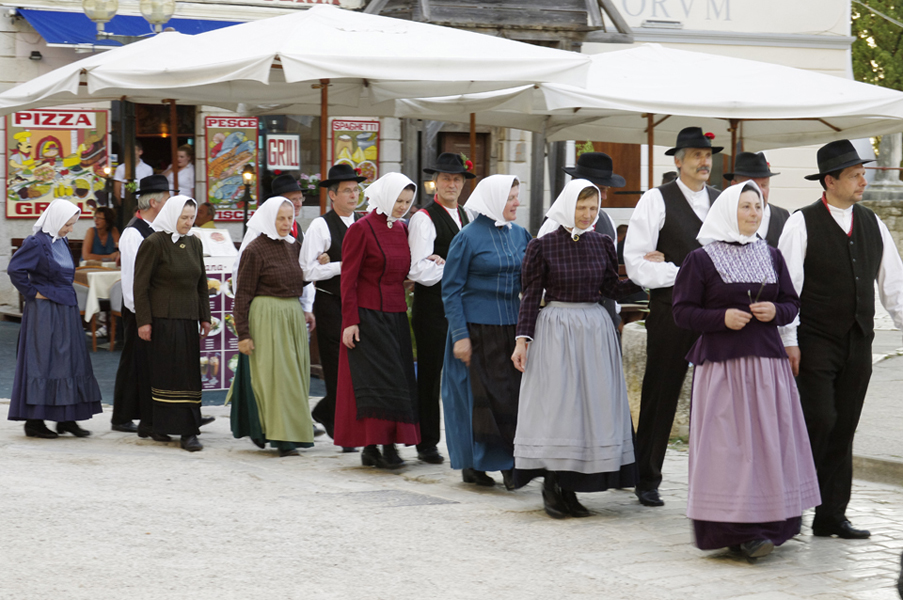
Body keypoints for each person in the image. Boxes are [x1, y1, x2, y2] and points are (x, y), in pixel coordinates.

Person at [672, 181, 820, 559]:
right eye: (745, 207)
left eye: (758, 207)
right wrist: (721, 317)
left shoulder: (771, 255)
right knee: (729, 451)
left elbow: (791, 302)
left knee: (768, 445)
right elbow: (682, 312)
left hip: (768, 366)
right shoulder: (701, 260)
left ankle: (770, 526)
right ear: (727, 211)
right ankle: (732, 528)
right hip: (722, 369)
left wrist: (777, 312)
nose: (754, 213)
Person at [779, 139, 903, 539]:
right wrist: (788, 339)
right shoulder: (801, 222)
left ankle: (831, 515)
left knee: (845, 425)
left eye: (863, 173)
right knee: (820, 420)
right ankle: (790, 505)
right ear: (830, 181)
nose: (862, 181)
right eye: (854, 175)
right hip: (813, 340)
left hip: (857, 342)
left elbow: (894, 287)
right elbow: (787, 287)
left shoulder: (873, 223)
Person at [512, 179, 641, 519]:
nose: (587, 214)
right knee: (561, 408)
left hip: (594, 330)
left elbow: (612, 286)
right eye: (581, 208)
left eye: (593, 208)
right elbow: (530, 296)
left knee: (588, 409)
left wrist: (646, 274)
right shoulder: (543, 246)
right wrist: (522, 340)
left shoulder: (602, 243)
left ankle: (572, 488)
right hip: (557, 330)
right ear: (568, 207)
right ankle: (552, 485)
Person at [624, 126, 722, 508]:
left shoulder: (721, 201)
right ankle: (645, 476)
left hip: (715, 313)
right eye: (696, 155)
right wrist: (686, 274)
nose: (704, 161)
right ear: (678, 160)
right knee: (661, 392)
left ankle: (714, 478)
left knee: (719, 395)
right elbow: (637, 261)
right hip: (673, 310)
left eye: (708, 155)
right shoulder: (656, 199)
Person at [440, 175, 532, 487]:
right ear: (493, 201)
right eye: (511, 198)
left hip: (511, 331)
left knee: (511, 397)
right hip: (476, 332)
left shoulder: (521, 235)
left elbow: (531, 282)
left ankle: (510, 462)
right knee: (479, 400)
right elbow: (451, 290)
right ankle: (475, 462)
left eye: (517, 196)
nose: (517, 203)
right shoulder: (467, 237)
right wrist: (459, 336)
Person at [333, 173, 420, 469]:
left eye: (407, 202)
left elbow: (407, 269)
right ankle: (373, 445)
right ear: (384, 196)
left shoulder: (403, 230)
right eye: (398, 200)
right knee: (375, 381)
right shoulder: (360, 229)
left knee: (399, 380)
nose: (402, 207)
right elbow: (349, 278)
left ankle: (390, 443)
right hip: (368, 316)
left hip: (396, 315)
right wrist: (350, 321)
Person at [7, 200, 103, 438]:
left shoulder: (60, 240)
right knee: (44, 361)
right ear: (56, 220)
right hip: (45, 312)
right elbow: (14, 269)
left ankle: (67, 418)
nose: (70, 229)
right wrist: (33, 293)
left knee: (71, 360)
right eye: (68, 224)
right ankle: (34, 421)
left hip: (66, 309)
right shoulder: (36, 242)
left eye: (72, 224)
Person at [228, 197, 314, 457]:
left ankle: (284, 431)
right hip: (267, 317)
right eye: (281, 218)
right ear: (268, 219)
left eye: (290, 218)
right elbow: (242, 294)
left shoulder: (293, 246)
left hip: (291, 315)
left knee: (295, 376)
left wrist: (318, 263)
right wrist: (243, 333)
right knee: (277, 379)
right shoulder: (255, 250)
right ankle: (282, 437)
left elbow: (300, 280)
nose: (287, 223)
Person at [407, 152, 476, 465]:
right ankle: (426, 442)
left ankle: (465, 437)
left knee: (463, 375)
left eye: (457, 179)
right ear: (436, 181)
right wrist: (452, 269)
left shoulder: (469, 215)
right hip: (432, 309)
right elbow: (418, 270)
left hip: (462, 308)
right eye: (447, 178)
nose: (452, 184)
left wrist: (450, 265)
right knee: (432, 375)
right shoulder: (424, 218)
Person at [133, 195, 211, 452]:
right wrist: (144, 321)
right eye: (184, 218)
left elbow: (202, 283)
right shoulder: (154, 243)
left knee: (188, 375)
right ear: (172, 215)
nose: (189, 223)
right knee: (167, 374)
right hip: (163, 319)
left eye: (191, 218)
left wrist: (205, 316)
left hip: (188, 318)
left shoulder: (195, 243)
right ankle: (161, 423)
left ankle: (189, 429)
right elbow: (140, 285)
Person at [300, 164, 365, 448]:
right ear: (333, 196)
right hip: (331, 303)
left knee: (357, 367)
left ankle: (328, 412)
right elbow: (307, 271)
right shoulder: (321, 225)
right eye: (347, 191)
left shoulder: (361, 222)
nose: (353, 195)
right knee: (338, 366)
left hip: (359, 304)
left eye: (356, 190)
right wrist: (343, 265)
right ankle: (342, 428)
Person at [111, 175, 172, 435]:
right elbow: (131, 279)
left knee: (150, 363)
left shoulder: (157, 229)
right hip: (139, 309)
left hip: (155, 306)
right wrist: (141, 315)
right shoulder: (133, 233)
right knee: (133, 362)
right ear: (155, 202)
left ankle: (159, 412)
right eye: (167, 198)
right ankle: (121, 416)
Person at [538, 152, 626, 330]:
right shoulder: (554, 224)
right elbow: (539, 280)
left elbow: (612, 275)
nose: (605, 197)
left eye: (605, 190)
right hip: (565, 321)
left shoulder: (607, 221)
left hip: (603, 319)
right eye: (601, 190)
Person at [723, 152, 790, 247]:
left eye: (764, 185)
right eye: (752, 185)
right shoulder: (723, 220)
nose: (760, 192)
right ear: (734, 185)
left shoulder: (785, 218)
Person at [113, 140, 154, 206]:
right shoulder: (121, 168)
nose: (132, 153)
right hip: (125, 201)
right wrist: (120, 205)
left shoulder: (148, 169)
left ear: (140, 152)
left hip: (141, 201)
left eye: (134, 150)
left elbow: (149, 189)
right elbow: (117, 190)